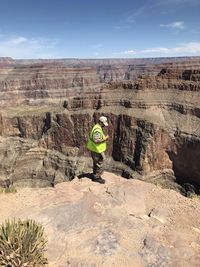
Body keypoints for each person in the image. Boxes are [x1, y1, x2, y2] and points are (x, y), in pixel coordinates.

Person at [86, 116, 109, 184]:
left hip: (96, 149)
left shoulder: (97, 127)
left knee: (96, 163)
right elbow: (96, 141)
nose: (104, 125)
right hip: (97, 150)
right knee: (99, 163)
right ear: (100, 122)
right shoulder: (97, 130)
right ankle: (97, 177)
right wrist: (105, 139)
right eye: (103, 124)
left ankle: (95, 175)